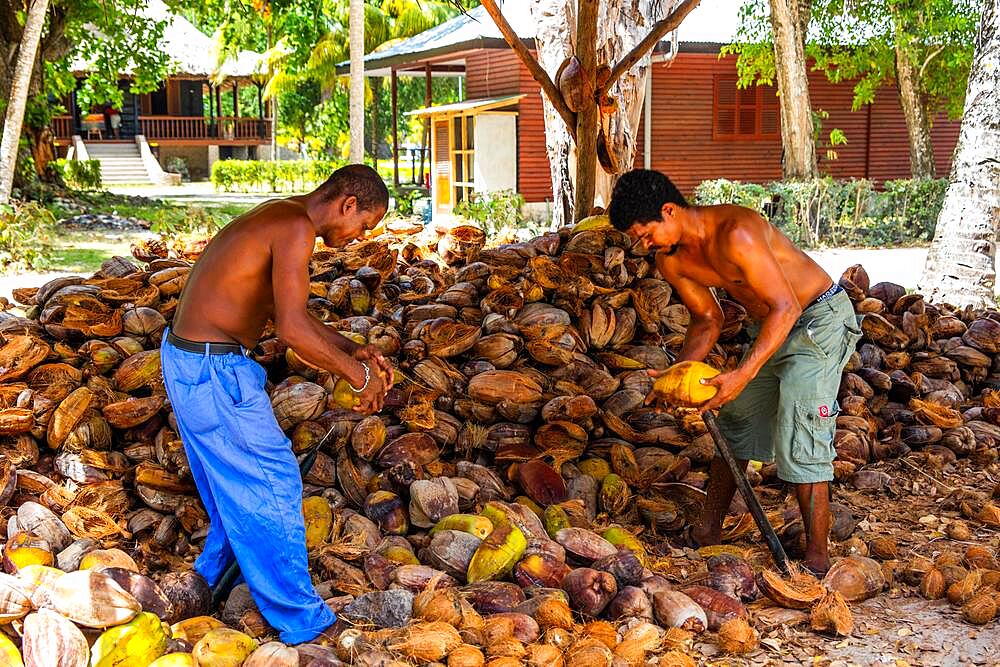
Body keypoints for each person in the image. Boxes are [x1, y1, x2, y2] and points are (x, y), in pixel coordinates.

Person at [160, 164, 393, 644]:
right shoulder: (294, 228)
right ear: (348, 204)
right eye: (363, 225)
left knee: (235, 485)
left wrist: (352, 350)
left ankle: (208, 581)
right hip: (212, 371)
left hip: (190, 360)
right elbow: (291, 330)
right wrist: (358, 376)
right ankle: (301, 621)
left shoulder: (281, 214)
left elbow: (297, 317)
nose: (357, 237)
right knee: (271, 480)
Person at [607, 169, 861, 576]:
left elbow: (788, 306)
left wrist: (741, 374)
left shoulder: (736, 231)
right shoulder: (670, 259)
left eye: (645, 233)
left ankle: (816, 559)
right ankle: (707, 531)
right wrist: (676, 378)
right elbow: (708, 318)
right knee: (735, 421)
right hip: (770, 327)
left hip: (817, 319)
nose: (643, 245)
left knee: (801, 427)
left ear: (668, 210)